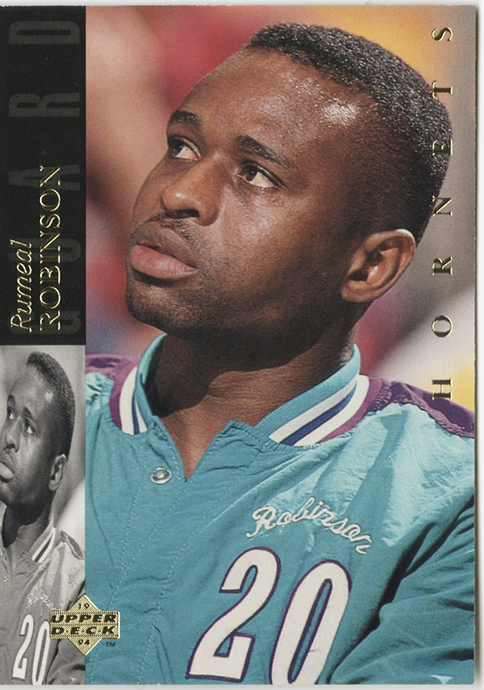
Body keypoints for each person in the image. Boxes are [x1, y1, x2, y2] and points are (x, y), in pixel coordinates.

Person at [85, 24, 474, 684]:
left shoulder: (447, 494)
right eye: (180, 145)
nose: (178, 192)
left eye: (256, 175)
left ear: (372, 264)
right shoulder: (27, 415)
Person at [0, 352, 85, 685]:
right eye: (9, 413)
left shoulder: (85, 590)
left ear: (56, 472)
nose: (8, 437)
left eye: (28, 427)